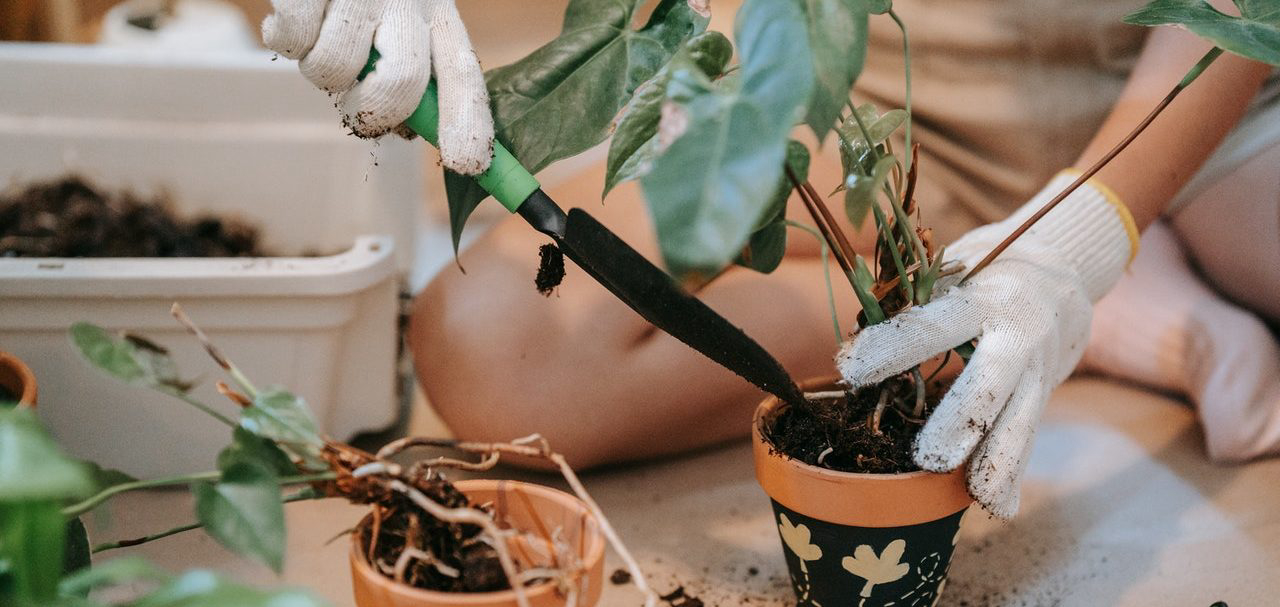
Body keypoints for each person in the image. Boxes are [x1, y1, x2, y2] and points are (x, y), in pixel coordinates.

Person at [263, 1, 1280, 518]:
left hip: (1193, 102)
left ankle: (1089, 261)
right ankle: (983, 302)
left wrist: (1088, 227)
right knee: (497, 352)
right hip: (853, 103)